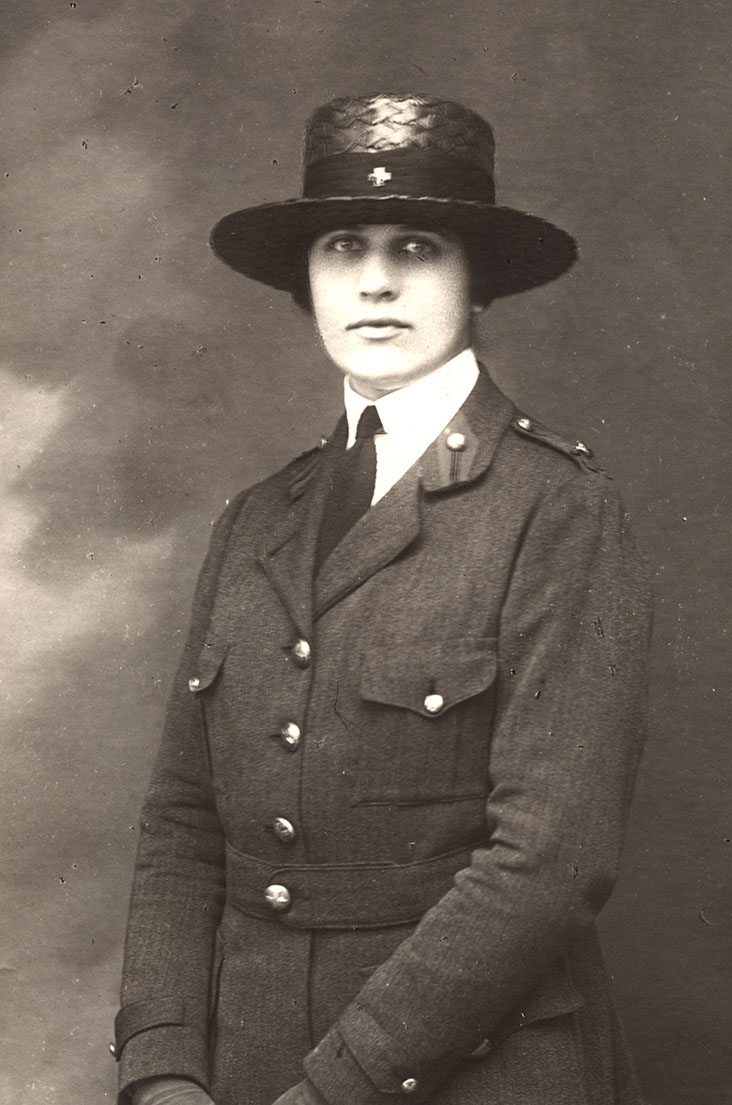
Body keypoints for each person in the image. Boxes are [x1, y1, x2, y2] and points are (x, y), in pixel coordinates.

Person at [112, 94, 652, 1105]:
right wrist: (162, 1064)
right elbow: (182, 823)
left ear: (475, 281)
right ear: (304, 284)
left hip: (474, 1068)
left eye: (417, 246)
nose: (373, 279)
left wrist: (335, 1089)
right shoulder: (254, 519)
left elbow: (547, 860)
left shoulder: (557, 510)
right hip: (243, 1069)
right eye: (340, 247)